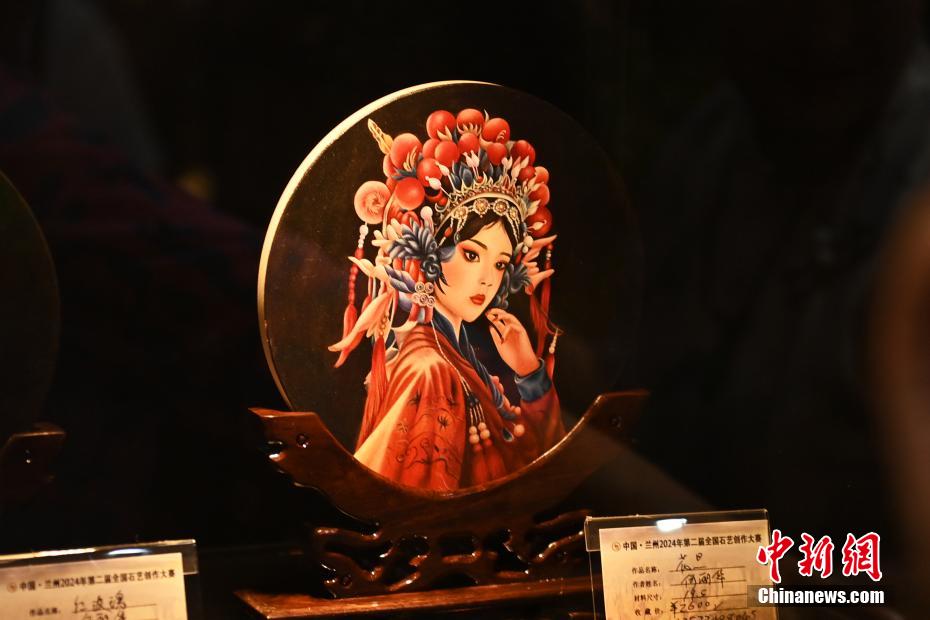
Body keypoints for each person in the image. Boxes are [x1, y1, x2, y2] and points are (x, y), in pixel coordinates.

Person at [329, 109, 565, 491]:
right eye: (471, 254)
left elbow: (531, 467)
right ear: (430, 256)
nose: (488, 279)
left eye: (500, 263)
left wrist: (527, 370)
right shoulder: (431, 371)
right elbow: (409, 502)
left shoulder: (456, 358)